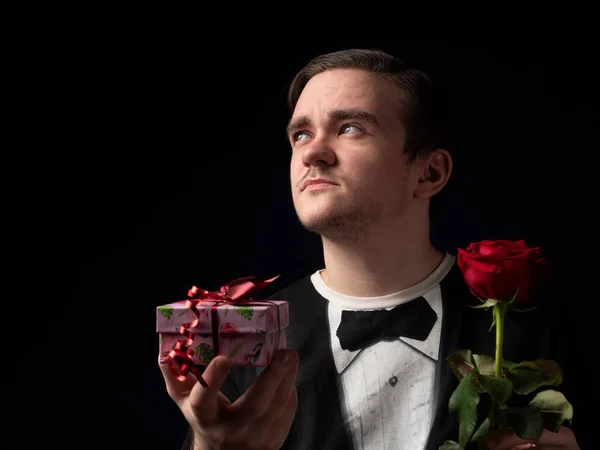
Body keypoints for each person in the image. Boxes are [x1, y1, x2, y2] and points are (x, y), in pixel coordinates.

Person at [159, 49, 580, 450]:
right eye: (300, 133)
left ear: (429, 173)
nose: (313, 153)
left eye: (350, 128)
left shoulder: (535, 329)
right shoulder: (246, 342)